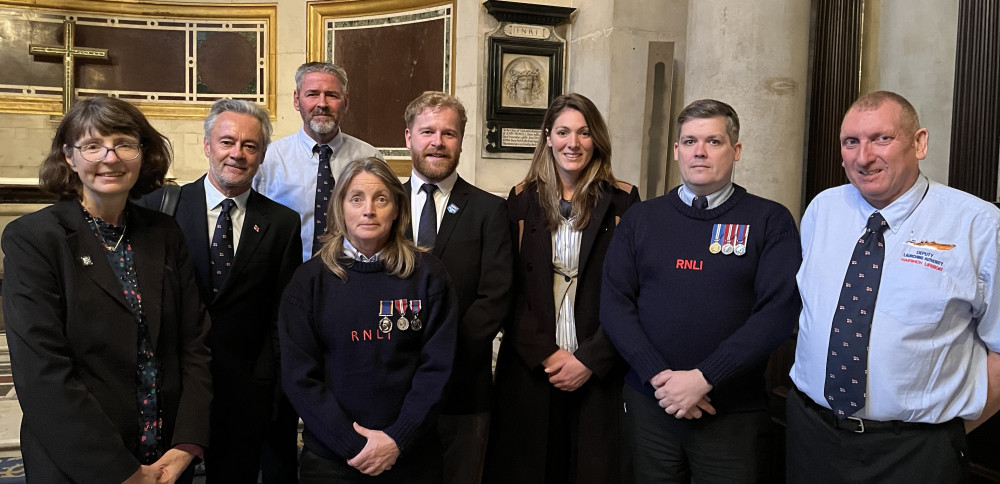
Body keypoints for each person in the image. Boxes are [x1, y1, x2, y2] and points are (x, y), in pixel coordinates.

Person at [787, 90, 1000, 482]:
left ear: (919, 143)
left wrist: (950, 434)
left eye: (882, 139)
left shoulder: (979, 226)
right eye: (852, 142)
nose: (864, 156)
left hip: (916, 450)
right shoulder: (823, 209)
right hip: (812, 435)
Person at [1, 96, 212, 483]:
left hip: (165, 458)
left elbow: (194, 344)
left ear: (142, 153)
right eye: (92, 145)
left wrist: (187, 443)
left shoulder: (163, 232)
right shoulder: (33, 239)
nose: (110, 158)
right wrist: (122, 473)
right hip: (80, 462)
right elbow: (42, 373)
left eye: (124, 143)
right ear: (69, 156)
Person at [600, 99, 801, 483]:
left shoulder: (769, 220)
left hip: (731, 412)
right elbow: (614, 302)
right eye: (690, 141)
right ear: (676, 150)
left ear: (736, 150)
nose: (700, 151)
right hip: (650, 405)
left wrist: (704, 378)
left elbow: (777, 312)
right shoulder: (642, 218)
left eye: (714, 141)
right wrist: (660, 378)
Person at [137, 99, 302, 483]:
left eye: (250, 145)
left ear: (262, 155)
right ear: (208, 145)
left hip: (244, 393)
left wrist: (275, 393)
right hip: (171, 388)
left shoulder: (282, 223)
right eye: (227, 142)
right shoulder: (160, 210)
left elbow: (281, 316)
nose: (237, 154)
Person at [484, 93, 639, 484]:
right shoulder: (521, 199)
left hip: (599, 368)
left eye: (585, 133)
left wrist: (589, 359)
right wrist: (548, 356)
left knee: (593, 468)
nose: (574, 142)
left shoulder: (623, 200)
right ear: (548, 138)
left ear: (597, 140)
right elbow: (507, 288)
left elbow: (633, 292)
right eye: (564, 131)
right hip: (533, 367)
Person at [279, 157, 459, 483]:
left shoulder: (429, 276)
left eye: (381, 199)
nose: (369, 210)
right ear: (340, 208)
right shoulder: (308, 282)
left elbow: (438, 368)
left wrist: (397, 439)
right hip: (333, 461)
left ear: (397, 209)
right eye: (356, 198)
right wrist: (353, 444)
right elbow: (299, 376)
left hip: (410, 455)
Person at [401, 91, 513, 484]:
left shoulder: (489, 210)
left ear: (461, 141)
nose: (437, 142)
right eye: (427, 131)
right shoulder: (382, 206)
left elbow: (495, 295)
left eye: (449, 133)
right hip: (393, 384)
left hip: (464, 386)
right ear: (408, 137)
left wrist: (442, 355)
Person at [255, 61, 384, 261]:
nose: (322, 104)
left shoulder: (370, 157)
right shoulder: (269, 159)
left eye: (332, 95)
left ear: (346, 102)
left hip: (352, 275)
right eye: (313, 94)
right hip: (287, 276)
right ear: (297, 100)